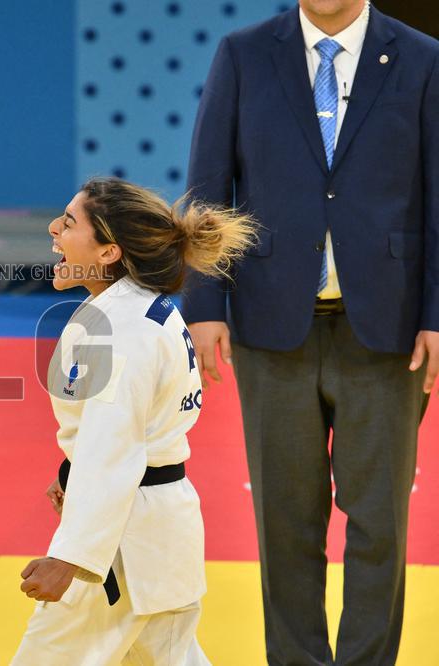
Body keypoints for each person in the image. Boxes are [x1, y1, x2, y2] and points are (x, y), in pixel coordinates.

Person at [183, 1, 438, 663]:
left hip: (388, 327)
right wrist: (204, 302)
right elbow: (209, 186)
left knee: (380, 524)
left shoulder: (422, 58)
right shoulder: (242, 53)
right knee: (285, 524)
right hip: (271, 326)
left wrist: (438, 314)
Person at [11, 177, 256, 665]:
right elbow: (121, 436)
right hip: (157, 537)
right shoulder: (138, 310)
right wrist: (72, 473)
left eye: (69, 222)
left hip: (120, 553)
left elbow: (113, 450)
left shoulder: (120, 331)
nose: (53, 229)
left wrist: (71, 557)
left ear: (108, 253)